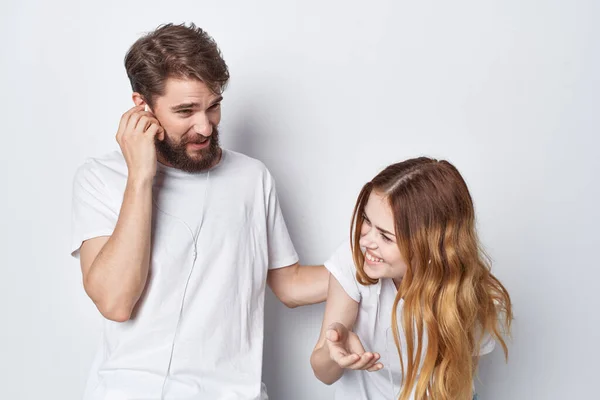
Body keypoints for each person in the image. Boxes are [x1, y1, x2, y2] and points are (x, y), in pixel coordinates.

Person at [70, 22, 328, 400]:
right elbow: (115, 302)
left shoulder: (252, 177)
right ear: (142, 106)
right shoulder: (100, 178)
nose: (205, 127)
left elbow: (289, 285)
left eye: (214, 106)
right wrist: (141, 176)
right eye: (185, 111)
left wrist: (384, 260)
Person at [310, 157, 513, 400]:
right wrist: (334, 354)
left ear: (430, 249)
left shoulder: (471, 299)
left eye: (386, 236)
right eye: (366, 220)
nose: (366, 241)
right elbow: (323, 373)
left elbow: (457, 391)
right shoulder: (353, 260)